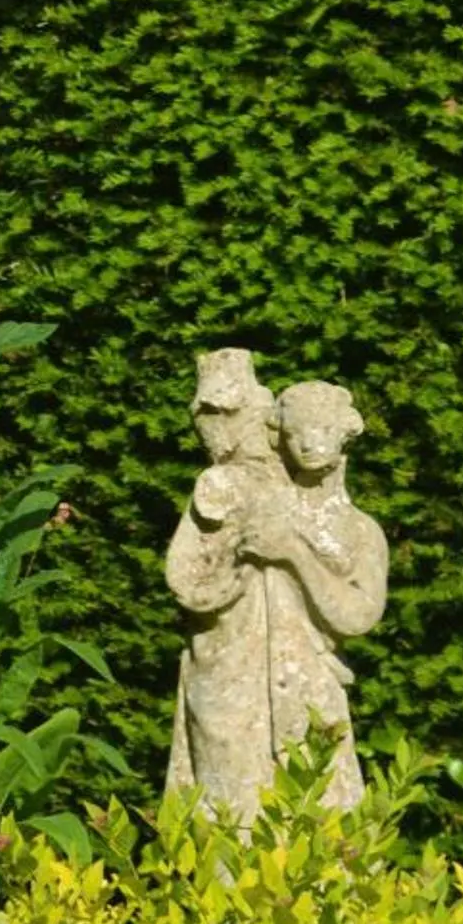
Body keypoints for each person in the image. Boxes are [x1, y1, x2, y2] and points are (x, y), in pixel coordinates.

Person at [235, 380, 389, 808]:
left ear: (344, 433)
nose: (307, 443)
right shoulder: (261, 510)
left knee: (325, 813)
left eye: (320, 429)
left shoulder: (360, 529)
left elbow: (359, 616)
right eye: (296, 432)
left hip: (313, 684)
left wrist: (294, 554)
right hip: (247, 679)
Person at [164, 349, 287, 821]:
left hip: (259, 658)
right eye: (205, 414)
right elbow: (187, 579)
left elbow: (185, 579)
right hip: (228, 650)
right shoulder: (232, 483)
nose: (209, 428)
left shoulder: (228, 483)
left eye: (219, 414)